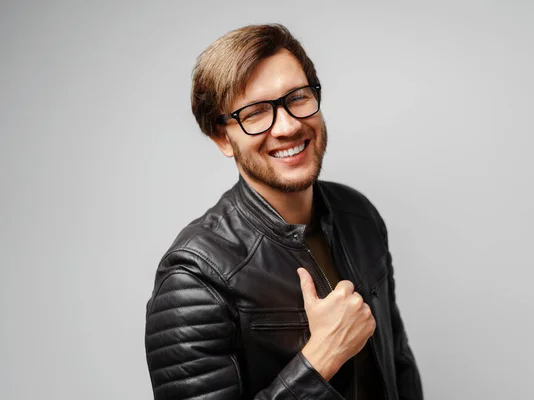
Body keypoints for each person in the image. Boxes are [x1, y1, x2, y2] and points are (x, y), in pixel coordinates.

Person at [144, 23, 423, 400]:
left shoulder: (359, 216)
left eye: (297, 97)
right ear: (222, 137)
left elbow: (398, 364)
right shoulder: (194, 278)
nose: (289, 125)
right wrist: (321, 358)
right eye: (256, 112)